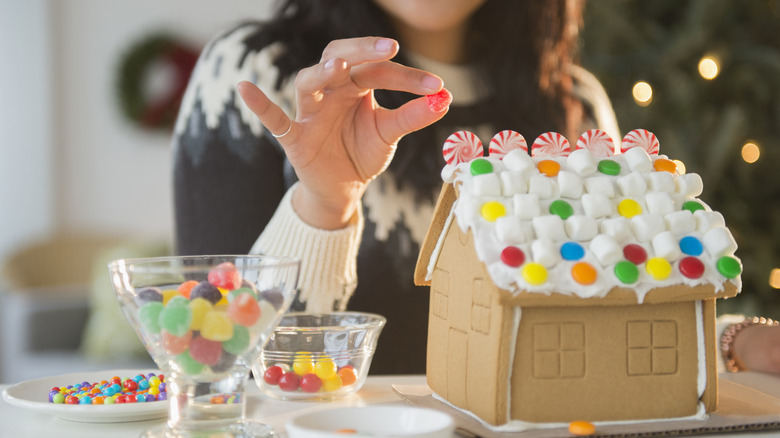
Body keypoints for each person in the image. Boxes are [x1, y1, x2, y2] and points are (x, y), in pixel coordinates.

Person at [172, 0, 779, 375]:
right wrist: (323, 204)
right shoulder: (254, 74)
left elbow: (601, 324)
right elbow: (212, 355)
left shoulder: (572, 108)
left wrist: (731, 340)